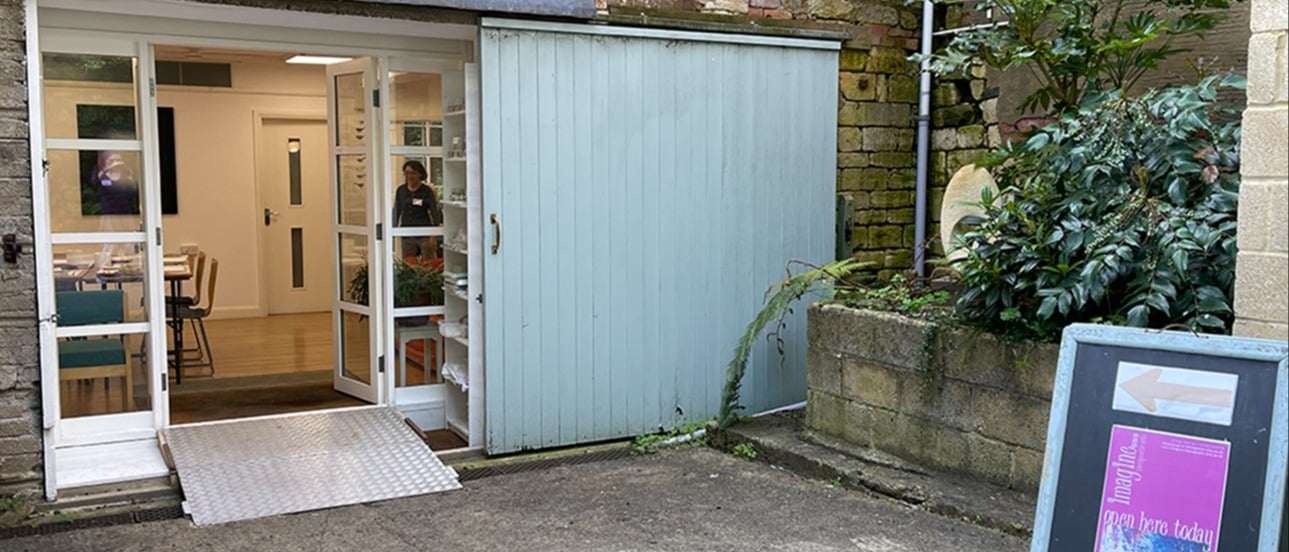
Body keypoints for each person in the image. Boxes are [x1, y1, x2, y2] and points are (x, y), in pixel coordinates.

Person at [392, 160, 442, 260]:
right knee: (409, 264)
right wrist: (392, 230)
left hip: (424, 233)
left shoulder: (426, 191)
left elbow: (434, 213)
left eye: (413, 173)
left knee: (428, 264)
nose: (409, 176)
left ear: (420, 174)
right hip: (407, 234)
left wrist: (434, 236)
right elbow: (396, 211)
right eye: (407, 173)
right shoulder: (401, 190)